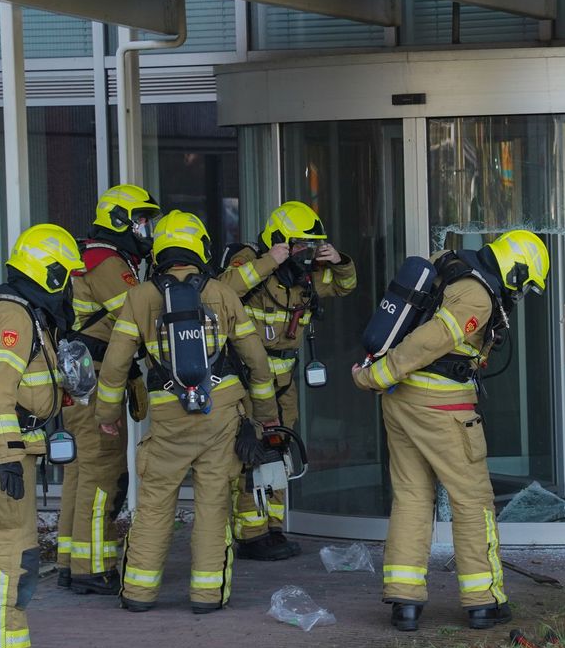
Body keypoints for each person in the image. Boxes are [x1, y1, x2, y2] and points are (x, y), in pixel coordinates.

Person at [351, 230, 550, 632]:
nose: (521, 293)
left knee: (411, 496)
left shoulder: (451, 264)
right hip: (442, 405)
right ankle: (484, 600)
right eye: (524, 284)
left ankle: (404, 601)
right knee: (472, 499)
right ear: (517, 269)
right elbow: (432, 339)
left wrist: (383, 378)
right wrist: (375, 375)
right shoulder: (477, 296)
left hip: (402, 402)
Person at [94, 211, 278, 614]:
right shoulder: (221, 291)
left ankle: (139, 594)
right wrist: (265, 413)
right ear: (200, 247)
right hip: (221, 413)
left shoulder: (140, 297)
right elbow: (256, 360)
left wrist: (106, 414)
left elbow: (115, 365)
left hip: (168, 418)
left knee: (156, 504)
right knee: (213, 506)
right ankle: (207, 596)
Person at [0, 223, 84, 648]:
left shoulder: (29, 314)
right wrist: (9, 455)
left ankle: (8, 643)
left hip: (10, 450)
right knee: (7, 555)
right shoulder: (13, 316)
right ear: (50, 274)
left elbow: (28, 385)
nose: (70, 286)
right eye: (67, 275)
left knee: (20, 555)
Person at [217, 200, 357, 560]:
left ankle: (272, 527)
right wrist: (270, 262)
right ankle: (249, 534)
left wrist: (338, 260)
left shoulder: (304, 273)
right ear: (278, 241)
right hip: (248, 381)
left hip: (284, 382)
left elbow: (345, 286)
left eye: (309, 246)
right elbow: (222, 291)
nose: (304, 253)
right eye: (298, 245)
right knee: (252, 451)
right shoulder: (248, 260)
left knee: (279, 449)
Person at [56, 184, 161, 595]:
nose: (146, 228)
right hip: (97, 379)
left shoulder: (98, 255)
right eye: (140, 219)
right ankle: (92, 567)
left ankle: (71, 560)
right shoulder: (105, 261)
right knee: (101, 473)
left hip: (83, 378)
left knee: (80, 474)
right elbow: (137, 314)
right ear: (119, 221)